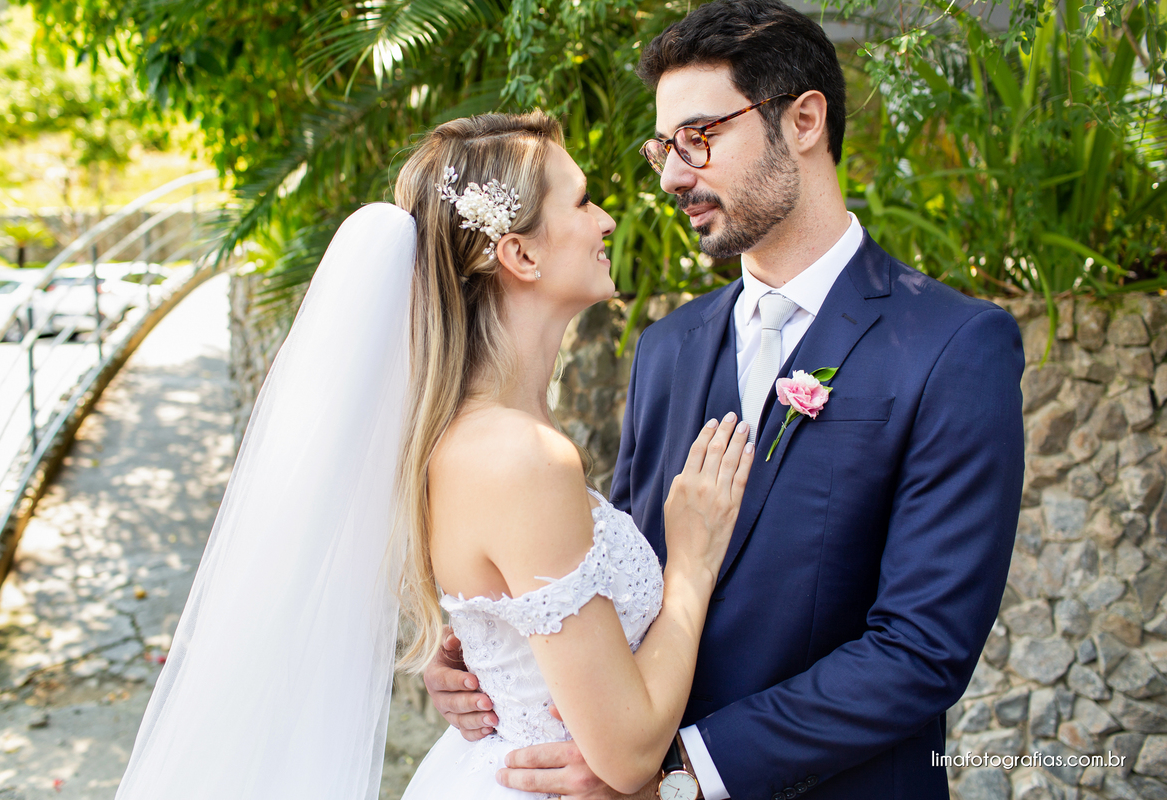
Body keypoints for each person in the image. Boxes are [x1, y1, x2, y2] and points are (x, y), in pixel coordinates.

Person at [423, 2, 1026, 799]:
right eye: (665, 147)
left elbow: (922, 648)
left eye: (699, 137)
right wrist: (491, 645)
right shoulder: (667, 348)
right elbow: (618, 582)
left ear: (804, 120)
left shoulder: (954, 345)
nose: (673, 175)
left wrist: (684, 769)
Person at [113, 111, 755, 800]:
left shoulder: (460, 436)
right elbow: (627, 753)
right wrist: (690, 564)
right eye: (580, 200)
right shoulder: (521, 456)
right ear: (521, 255)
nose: (605, 220)